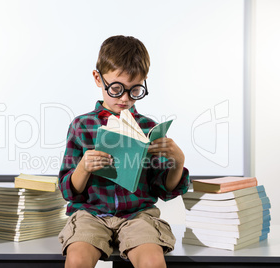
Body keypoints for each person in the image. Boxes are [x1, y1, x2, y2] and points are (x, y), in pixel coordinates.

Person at [58, 35, 189, 268]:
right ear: (98, 78)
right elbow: (68, 191)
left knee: (152, 261)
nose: (126, 98)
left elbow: (164, 190)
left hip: (138, 215)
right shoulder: (81, 126)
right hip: (92, 214)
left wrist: (177, 163)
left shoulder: (148, 129)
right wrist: (83, 168)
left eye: (135, 90)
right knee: (78, 258)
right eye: (117, 88)